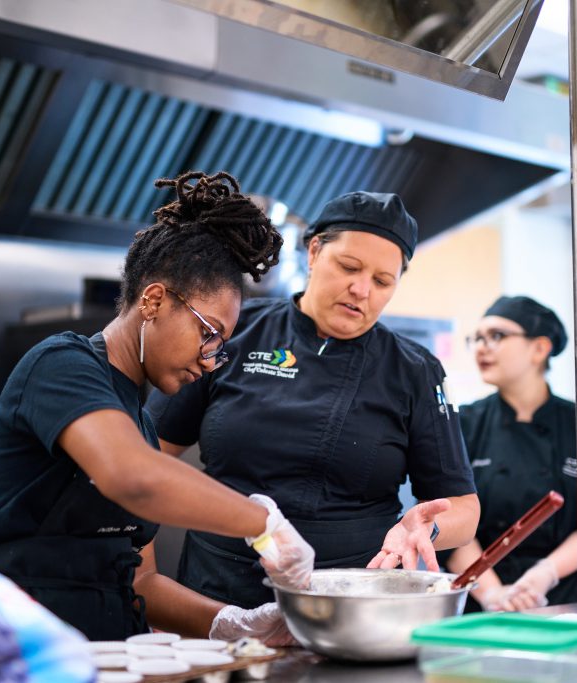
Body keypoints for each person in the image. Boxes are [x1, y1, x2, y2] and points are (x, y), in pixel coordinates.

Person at [0, 171, 316, 642]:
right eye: (207, 333)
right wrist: (263, 524)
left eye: (221, 345)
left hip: (111, 658)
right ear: (153, 300)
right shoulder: (62, 364)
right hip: (26, 652)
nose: (210, 361)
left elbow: (141, 581)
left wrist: (231, 623)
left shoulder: (140, 425)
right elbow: (133, 477)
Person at [146, 190, 480, 609]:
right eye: (349, 267)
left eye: (382, 281)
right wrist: (149, 587)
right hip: (216, 592)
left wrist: (424, 530)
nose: (361, 289)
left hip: (350, 601)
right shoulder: (235, 332)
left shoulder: (414, 370)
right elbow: (147, 457)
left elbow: (464, 508)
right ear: (314, 251)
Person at [447, 296, 577, 611]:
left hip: (572, 597)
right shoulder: (464, 425)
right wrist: (493, 593)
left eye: (496, 335)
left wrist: (544, 574)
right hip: (481, 598)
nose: (482, 347)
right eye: (477, 338)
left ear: (539, 349)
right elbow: (447, 519)